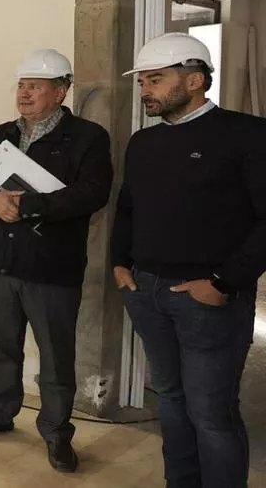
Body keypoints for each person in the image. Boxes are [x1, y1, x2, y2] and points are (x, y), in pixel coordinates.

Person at [113, 32, 266, 488]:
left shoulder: (247, 134)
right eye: (142, 82)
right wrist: (120, 264)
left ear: (195, 80)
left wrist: (223, 283)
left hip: (208, 300)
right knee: (171, 399)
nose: (145, 90)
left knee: (212, 413)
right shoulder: (143, 142)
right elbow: (128, 207)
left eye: (155, 79)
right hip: (146, 291)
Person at [0, 49, 113, 473]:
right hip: (1, 262)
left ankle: (56, 431)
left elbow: (92, 193)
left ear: (60, 92)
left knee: (56, 357)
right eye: (22, 85)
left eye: (36, 86)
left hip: (52, 267)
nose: (24, 94)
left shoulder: (88, 137)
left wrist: (28, 206)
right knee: (1, 347)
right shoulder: (1, 134)